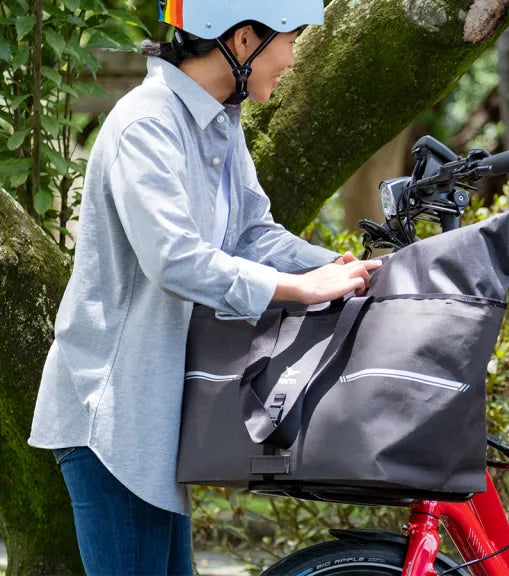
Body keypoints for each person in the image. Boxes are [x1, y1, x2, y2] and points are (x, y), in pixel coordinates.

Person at [28, 2, 381, 574]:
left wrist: (346, 270)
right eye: (288, 40)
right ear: (242, 40)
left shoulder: (217, 121)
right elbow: (175, 260)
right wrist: (299, 289)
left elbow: (251, 234)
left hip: (158, 411)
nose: (293, 59)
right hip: (113, 418)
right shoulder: (147, 124)